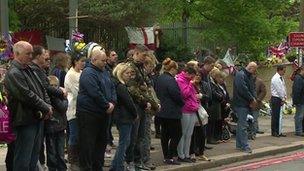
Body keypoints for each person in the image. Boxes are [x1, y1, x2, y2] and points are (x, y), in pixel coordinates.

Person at [4, 41, 53, 170]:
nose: (31, 56)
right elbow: (27, 95)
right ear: (17, 54)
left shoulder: (29, 69)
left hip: (35, 118)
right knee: (23, 159)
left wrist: (47, 105)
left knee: (33, 157)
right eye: (28, 53)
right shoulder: (14, 73)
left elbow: (42, 89)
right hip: (24, 121)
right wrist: (45, 106)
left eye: (32, 53)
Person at [76, 45, 115, 170]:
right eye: (102, 61)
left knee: (101, 143)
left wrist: (113, 102)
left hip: (103, 114)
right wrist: (106, 104)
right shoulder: (88, 73)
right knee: (88, 145)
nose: (105, 63)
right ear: (93, 60)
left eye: (105, 60)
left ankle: (98, 167)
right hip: (89, 114)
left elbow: (112, 87)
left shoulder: (104, 72)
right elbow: (94, 92)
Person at [125, 45, 158, 171]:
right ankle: (130, 161)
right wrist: (144, 101)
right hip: (135, 105)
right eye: (144, 55)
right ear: (137, 53)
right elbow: (132, 88)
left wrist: (153, 102)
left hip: (143, 106)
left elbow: (147, 86)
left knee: (141, 136)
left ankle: (139, 162)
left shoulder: (141, 68)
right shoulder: (130, 67)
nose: (145, 58)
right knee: (133, 137)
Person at [155, 58, 184, 165]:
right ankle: (171, 156)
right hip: (172, 112)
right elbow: (176, 95)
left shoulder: (160, 78)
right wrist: (182, 103)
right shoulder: (171, 80)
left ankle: (166, 156)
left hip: (162, 111)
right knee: (177, 134)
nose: (177, 72)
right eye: (176, 69)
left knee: (165, 135)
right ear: (172, 69)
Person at [110, 63, 139, 171]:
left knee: (125, 142)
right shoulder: (121, 87)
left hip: (123, 117)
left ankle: (115, 165)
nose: (129, 75)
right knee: (124, 142)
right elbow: (128, 102)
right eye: (126, 73)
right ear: (120, 74)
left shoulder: (119, 85)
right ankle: (119, 166)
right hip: (124, 117)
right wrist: (135, 114)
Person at [64, 55, 85, 169]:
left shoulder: (81, 72)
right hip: (74, 109)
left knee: (80, 135)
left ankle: (79, 158)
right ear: (75, 61)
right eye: (81, 61)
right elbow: (77, 92)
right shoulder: (71, 74)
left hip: (83, 109)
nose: (83, 63)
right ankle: (73, 160)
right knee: (74, 135)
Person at [176, 64, 199, 163]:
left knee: (189, 134)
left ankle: (187, 154)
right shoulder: (180, 80)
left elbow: (193, 94)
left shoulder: (189, 81)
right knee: (183, 133)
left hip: (192, 109)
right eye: (191, 76)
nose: (192, 78)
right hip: (185, 109)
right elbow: (184, 94)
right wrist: (190, 84)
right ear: (186, 73)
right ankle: (181, 154)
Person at [232, 62, 257, 153]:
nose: (255, 72)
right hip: (241, 104)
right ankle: (245, 146)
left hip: (245, 103)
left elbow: (252, 88)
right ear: (251, 67)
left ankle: (239, 145)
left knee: (241, 125)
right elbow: (242, 89)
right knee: (243, 126)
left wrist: (253, 99)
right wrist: (251, 99)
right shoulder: (240, 75)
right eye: (255, 69)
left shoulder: (248, 76)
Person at [45, 75, 68, 171]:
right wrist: (65, 98)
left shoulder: (56, 96)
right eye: (52, 85)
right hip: (53, 126)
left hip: (59, 126)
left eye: (56, 85)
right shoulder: (54, 97)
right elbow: (63, 107)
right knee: (53, 152)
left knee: (59, 151)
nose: (54, 87)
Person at [270, 65, 287, 137]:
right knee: (275, 116)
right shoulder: (276, 78)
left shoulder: (281, 78)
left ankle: (279, 131)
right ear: (279, 70)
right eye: (284, 70)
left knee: (279, 116)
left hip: (280, 98)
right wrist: (282, 98)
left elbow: (283, 88)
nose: (284, 72)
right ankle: (274, 131)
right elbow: (279, 90)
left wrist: (285, 96)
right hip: (276, 98)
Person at [292, 66, 304, 136]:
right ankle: (298, 131)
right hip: (300, 101)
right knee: (299, 116)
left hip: (301, 100)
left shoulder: (300, 78)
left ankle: (299, 130)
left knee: (300, 116)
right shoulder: (298, 78)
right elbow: (296, 91)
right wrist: (296, 101)